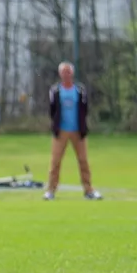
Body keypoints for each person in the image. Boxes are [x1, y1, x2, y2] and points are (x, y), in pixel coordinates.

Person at [46, 62, 102, 201]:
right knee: (56, 161)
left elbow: (85, 108)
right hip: (61, 131)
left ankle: (88, 190)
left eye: (68, 72)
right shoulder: (55, 90)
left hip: (78, 130)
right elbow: (52, 110)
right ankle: (51, 190)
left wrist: (82, 125)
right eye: (64, 72)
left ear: (72, 73)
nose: (66, 74)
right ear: (60, 74)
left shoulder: (80, 90)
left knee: (83, 160)